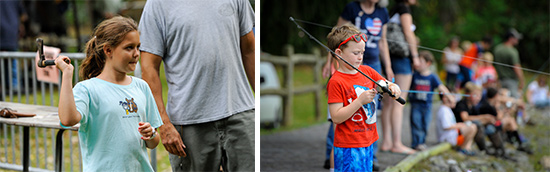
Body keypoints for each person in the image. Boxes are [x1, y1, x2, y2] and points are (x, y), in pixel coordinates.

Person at [139, 0, 255, 171]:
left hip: (240, 113)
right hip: (189, 124)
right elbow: (149, 67)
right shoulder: (157, 5)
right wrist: (163, 125)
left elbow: (249, 49)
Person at [55, 16, 162, 171]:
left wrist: (151, 133)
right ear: (108, 50)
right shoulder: (87, 89)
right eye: (129, 48)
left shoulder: (141, 87)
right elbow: (67, 119)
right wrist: (66, 74)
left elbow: (153, 142)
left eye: (138, 47)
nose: (136, 53)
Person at [322, 0, 394, 169]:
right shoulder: (336, 82)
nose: (361, 56)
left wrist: (393, 87)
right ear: (339, 54)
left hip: (367, 142)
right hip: (347, 146)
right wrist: (360, 101)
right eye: (356, 53)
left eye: (362, 52)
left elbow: (384, 82)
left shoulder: (368, 71)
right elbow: (336, 117)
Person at [380, 0, 419, 155]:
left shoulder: (392, 9)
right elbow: (408, 32)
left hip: (388, 58)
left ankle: (386, 141)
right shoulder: (404, 9)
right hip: (402, 58)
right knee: (399, 101)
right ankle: (397, 142)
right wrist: (415, 56)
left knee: (388, 103)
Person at [408, 50, 454, 151]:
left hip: (427, 106)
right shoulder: (414, 75)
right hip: (416, 104)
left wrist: (450, 97)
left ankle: (422, 142)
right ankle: (416, 143)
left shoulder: (432, 77)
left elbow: (441, 87)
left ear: (428, 63)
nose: (417, 63)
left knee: (425, 124)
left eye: (420, 61)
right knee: (416, 123)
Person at [452, 82, 505, 156]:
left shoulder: (472, 106)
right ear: (467, 95)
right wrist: (483, 117)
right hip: (458, 131)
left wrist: (487, 119)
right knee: (478, 125)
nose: (478, 98)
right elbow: (465, 118)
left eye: (479, 95)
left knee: (490, 127)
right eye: (475, 95)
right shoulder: (462, 104)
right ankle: (484, 150)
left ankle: (500, 149)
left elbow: (477, 117)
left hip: (466, 130)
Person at [0, 0, 27, 97]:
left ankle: (11, 87)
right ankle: (15, 87)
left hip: (7, 33)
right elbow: (24, 16)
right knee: (12, 63)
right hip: (11, 33)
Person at [494, 28, 525, 99]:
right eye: (516, 38)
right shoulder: (513, 51)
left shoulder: (497, 49)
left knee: (502, 99)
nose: (517, 40)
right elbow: (516, 67)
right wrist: (522, 80)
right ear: (510, 38)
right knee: (514, 100)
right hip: (511, 81)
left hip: (500, 80)